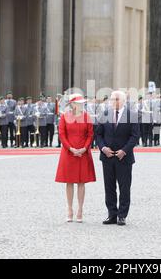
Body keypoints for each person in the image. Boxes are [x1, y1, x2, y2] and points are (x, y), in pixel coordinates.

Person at [96, 91, 140, 226]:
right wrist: (103, 148)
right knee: (109, 187)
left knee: (124, 187)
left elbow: (135, 136)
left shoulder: (132, 115)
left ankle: (122, 215)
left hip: (124, 158)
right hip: (107, 157)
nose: (112, 101)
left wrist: (124, 151)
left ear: (122, 101)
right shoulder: (105, 114)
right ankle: (112, 214)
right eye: (111, 99)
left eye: (115, 99)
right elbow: (98, 135)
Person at [55, 94, 96, 223]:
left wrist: (84, 148)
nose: (80, 105)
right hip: (69, 152)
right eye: (78, 103)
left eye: (82, 103)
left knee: (81, 182)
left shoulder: (86, 116)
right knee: (69, 181)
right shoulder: (64, 116)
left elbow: (90, 134)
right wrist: (71, 148)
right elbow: (62, 134)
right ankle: (69, 209)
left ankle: (80, 209)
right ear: (72, 104)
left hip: (83, 152)